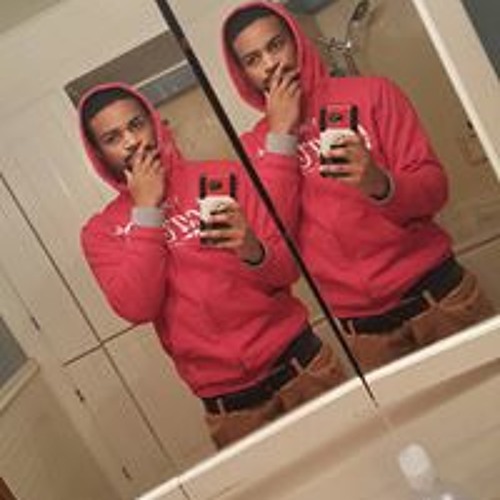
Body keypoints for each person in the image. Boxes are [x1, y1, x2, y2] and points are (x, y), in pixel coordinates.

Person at [221, 2, 495, 371]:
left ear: (296, 42)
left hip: (439, 296)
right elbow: (276, 240)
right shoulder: (254, 148)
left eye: (276, 45)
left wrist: (379, 183)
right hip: (366, 334)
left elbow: (435, 189)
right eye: (253, 60)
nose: (270, 64)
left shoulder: (373, 93)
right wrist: (281, 136)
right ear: (244, 75)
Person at [78, 82, 346, 449]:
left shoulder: (225, 176)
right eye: (112, 138)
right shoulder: (101, 231)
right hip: (232, 408)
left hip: (300, 365)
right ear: (98, 154)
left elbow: (287, 271)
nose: (131, 142)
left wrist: (252, 249)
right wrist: (146, 213)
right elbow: (138, 307)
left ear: (153, 123)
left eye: (136, 124)